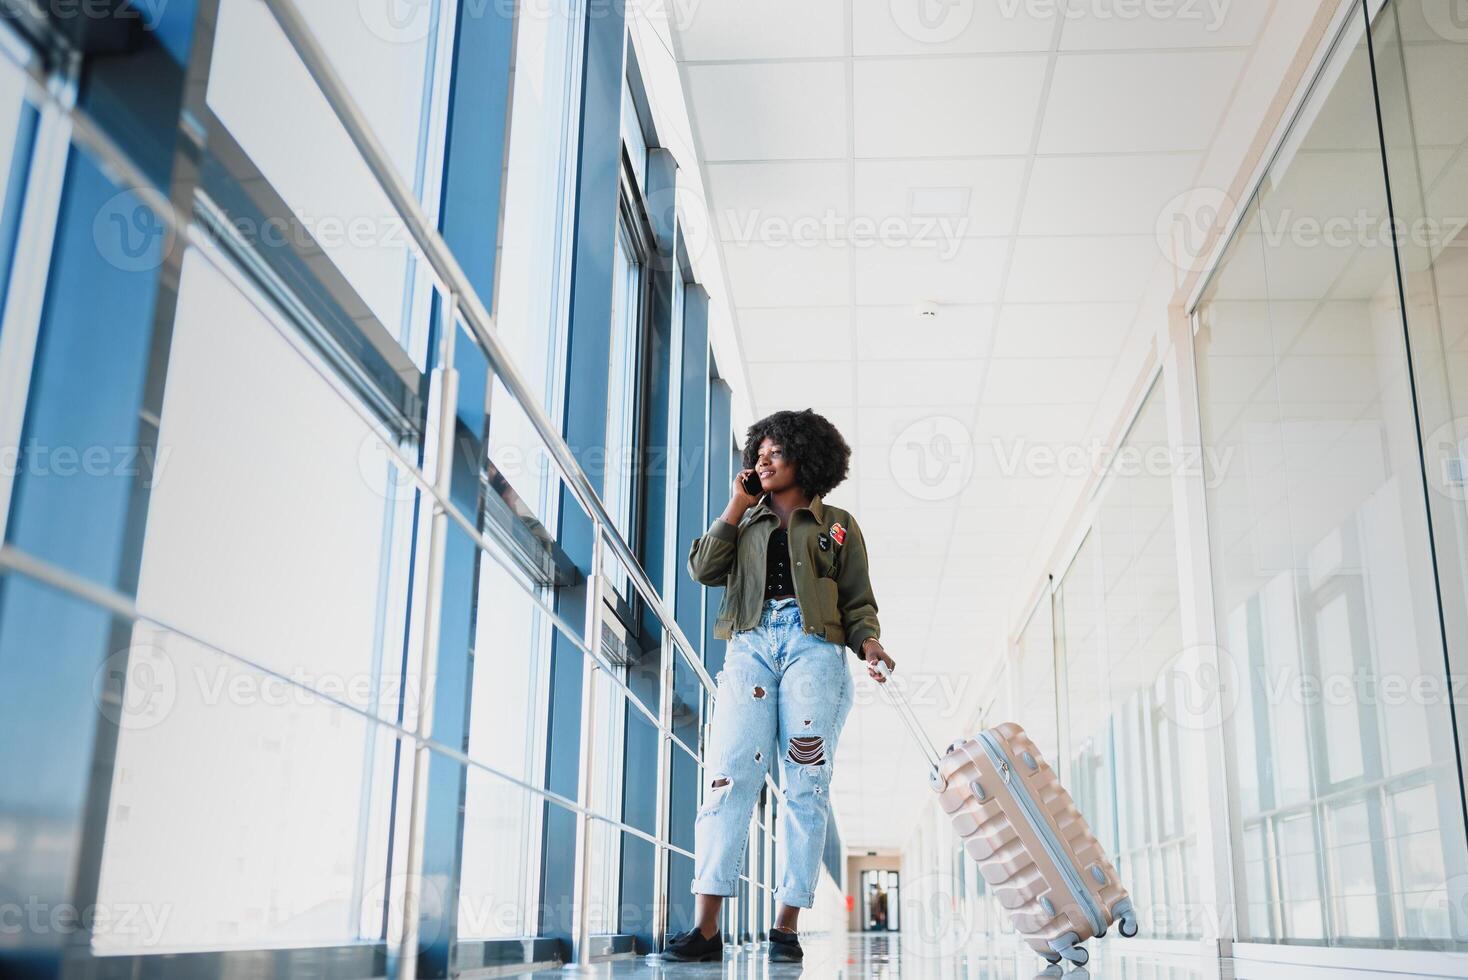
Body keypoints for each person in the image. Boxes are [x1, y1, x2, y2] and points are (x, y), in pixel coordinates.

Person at [662, 409, 896, 963]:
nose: (762, 461)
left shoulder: (837, 524)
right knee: (727, 777)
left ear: (805, 458)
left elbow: (857, 600)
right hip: (750, 647)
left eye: (775, 453)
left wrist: (870, 644)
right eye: (757, 454)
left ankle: (786, 924)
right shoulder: (746, 521)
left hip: (815, 650)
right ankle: (707, 929)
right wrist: (737, 505)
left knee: (804, 784)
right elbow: (702, 568)